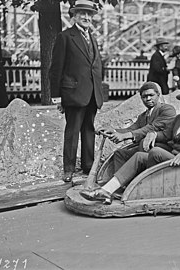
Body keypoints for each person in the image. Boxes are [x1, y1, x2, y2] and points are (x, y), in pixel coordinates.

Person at [80, 80, 180, 202]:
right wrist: (153, 135)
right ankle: (109, 190)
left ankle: (143, 188)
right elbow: (166, 135)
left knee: (155, 151)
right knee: (139, 156)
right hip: (172, 158)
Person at [49, 0, 104, 183]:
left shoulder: (92, 37)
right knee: (72, 131)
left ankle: (88, 166)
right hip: (73, 94)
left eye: (89, 15)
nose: (87, 17)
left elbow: (94, 66)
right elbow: (56, 69)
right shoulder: (65, 37)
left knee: (89, 129)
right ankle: (69, 169)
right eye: (82, 14)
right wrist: (57, 97)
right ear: (74, 16)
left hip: (92, 94)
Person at [101, 81, 176, 180]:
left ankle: (138, 180)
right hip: (145, 148)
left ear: (158, 95)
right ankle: (121, 184)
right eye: (144, 97)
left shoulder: (167, 110)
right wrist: (113, 131)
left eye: (151, 95)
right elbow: (131, 129)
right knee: (119, 153)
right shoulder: (143, 116)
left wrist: (124, 136)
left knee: (141, 144)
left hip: (163, 150)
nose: (148, 99)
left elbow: (151, 128)